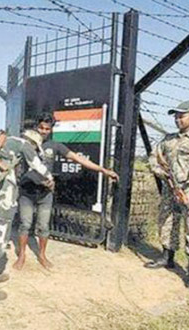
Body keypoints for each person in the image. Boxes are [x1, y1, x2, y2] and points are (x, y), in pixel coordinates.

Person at [13, 113, 119, 270]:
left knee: (43, 226)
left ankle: (42, 255)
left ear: (51, 130)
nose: (43, 131)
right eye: (41, 128)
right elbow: (14, 164)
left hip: (45, 194)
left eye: (47, 128)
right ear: (36, 127)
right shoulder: (25, 145)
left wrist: (103, 170)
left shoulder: (55, 146)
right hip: (27, 192)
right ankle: (21, 255)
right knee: (25, 224)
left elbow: (78, 159)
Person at [0, 129, 54, 301]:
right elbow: (36, 164)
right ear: (33, 143)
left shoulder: (4, 146)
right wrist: (50, 177)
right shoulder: (23, 144)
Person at [144, 100, 189, 291]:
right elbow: (154, 159)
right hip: (170, 189)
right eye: (175, 116)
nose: (177, 119)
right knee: (167, 222)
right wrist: (162, 173)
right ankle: (167, 257)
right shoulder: (168, 140)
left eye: (181, 116)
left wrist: (188, 191)